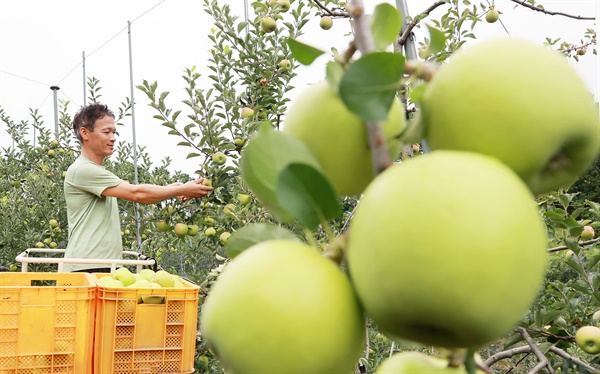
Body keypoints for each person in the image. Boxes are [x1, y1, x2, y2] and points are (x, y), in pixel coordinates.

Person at [63, 103, 213, 272]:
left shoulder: (97, 172)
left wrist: (175, 188)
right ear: (85, 133)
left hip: (103, 265)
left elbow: (133, 189)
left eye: (114, 132)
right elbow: (136, 193)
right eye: (106, 132)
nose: (113, 138)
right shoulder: (83, 169)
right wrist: (180, 190)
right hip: (86, 266)